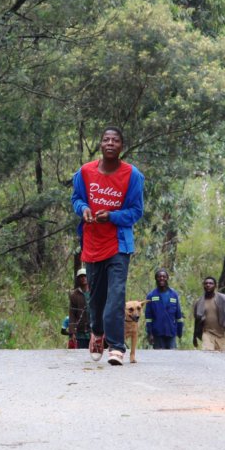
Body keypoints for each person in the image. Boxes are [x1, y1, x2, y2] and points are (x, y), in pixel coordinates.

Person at [70, 126, 145, 366]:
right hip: (92, 244)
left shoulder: (132, 176)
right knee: (97, 298)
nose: (110, 143)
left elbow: (136, 211)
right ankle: (97, 333)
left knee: (116, 295)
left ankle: (116, 346)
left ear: (121, 146)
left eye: (115, 140)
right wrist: (83, 209)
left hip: (118, 246)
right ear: (100, 145)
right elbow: (76, 199)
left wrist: (111, 216)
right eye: (106, 139)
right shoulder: (84, 172)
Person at [192, 276, 225, 351]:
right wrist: (194, 337)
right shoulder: (199, 302)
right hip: (207, 333)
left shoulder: (223, 300)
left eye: (211, 283)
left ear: (215, 286)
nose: (208, 285)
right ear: (203, 286)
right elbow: (197, 321)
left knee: (220, 357)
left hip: (221, 335)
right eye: (206, 283)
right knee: (208, 354)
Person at [145, 268, 184, 349]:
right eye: (159, 277)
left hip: (171, 332)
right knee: (159, 358)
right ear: (156, 279)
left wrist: (179, 331)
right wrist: (150, 334)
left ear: (167, 278)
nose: (161, 278)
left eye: (164, 276)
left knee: (172, 358)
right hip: (157, 333)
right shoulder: (151, 296)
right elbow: (148, 317)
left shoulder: (174, 295)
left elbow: (178, 315)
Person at [68, 267, 91, 349]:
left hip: (94, 331)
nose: (83, 278)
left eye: (85, 276)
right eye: (81, 277)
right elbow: (72, 314)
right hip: (80, 333)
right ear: (78, 279)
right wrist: (72, 332)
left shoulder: (94, 292)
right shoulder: (74, 295)